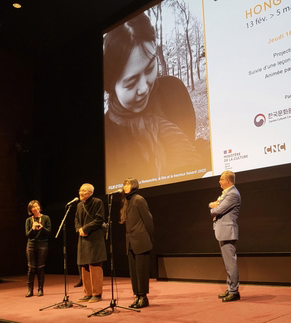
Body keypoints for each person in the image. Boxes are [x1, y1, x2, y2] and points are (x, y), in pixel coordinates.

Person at [103, 13, 209, 184]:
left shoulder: (174, 91)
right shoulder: (107, 134)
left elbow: (190, 142)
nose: (144, 88)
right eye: (131, 83)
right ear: (111, 86)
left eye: (150, 67)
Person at [119, 178, 154, 308]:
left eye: (128, 184)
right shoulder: (126, 201)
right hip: (131, 242)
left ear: (134, 186)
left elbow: (148, 220)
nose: (125, 186)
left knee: (142, 271)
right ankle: (138, 296)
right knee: (133, 272)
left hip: (141, 241)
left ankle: (143, 297)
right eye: (124, 184)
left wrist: (150, 238)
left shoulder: (139, 199)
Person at [209, 171, 241, 302]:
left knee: (230, 263)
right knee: (228, 263)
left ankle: (234, 291)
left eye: (221, 179)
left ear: (228, 181)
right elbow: (215, 205)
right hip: (223, 232)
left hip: (227, 232)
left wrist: (211, 207)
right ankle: (231, 288)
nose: (219, 182)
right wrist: (212, 205)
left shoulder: (232, 194)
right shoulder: (226, 193)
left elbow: (217, 210)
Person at [75, 183, 107, 303]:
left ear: (91, 193)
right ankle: (87, 293)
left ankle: (97, 294)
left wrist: (85, 229)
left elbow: (99, 219)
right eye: (80, 190)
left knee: (95, 266)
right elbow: (76, 220)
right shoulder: (79, 205)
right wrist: (79, 229)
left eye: (84, 191)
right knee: (84, 266)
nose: (81, 193)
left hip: (95, 238)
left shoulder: (97, 202)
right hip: (83, 238)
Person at [25, 200, 51, 297]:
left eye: (37, 206)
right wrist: (32, 228)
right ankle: (30, 290)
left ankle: (40, 289)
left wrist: (42, 227)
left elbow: (48, 232)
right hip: (31, 244)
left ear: (39, 207)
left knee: (40, 267)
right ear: (30, 209)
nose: (36, 208)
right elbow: (27, 235)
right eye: (33, 207)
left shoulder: (46, 218)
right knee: (31, 268)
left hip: (42, 244)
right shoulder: (28, 220)